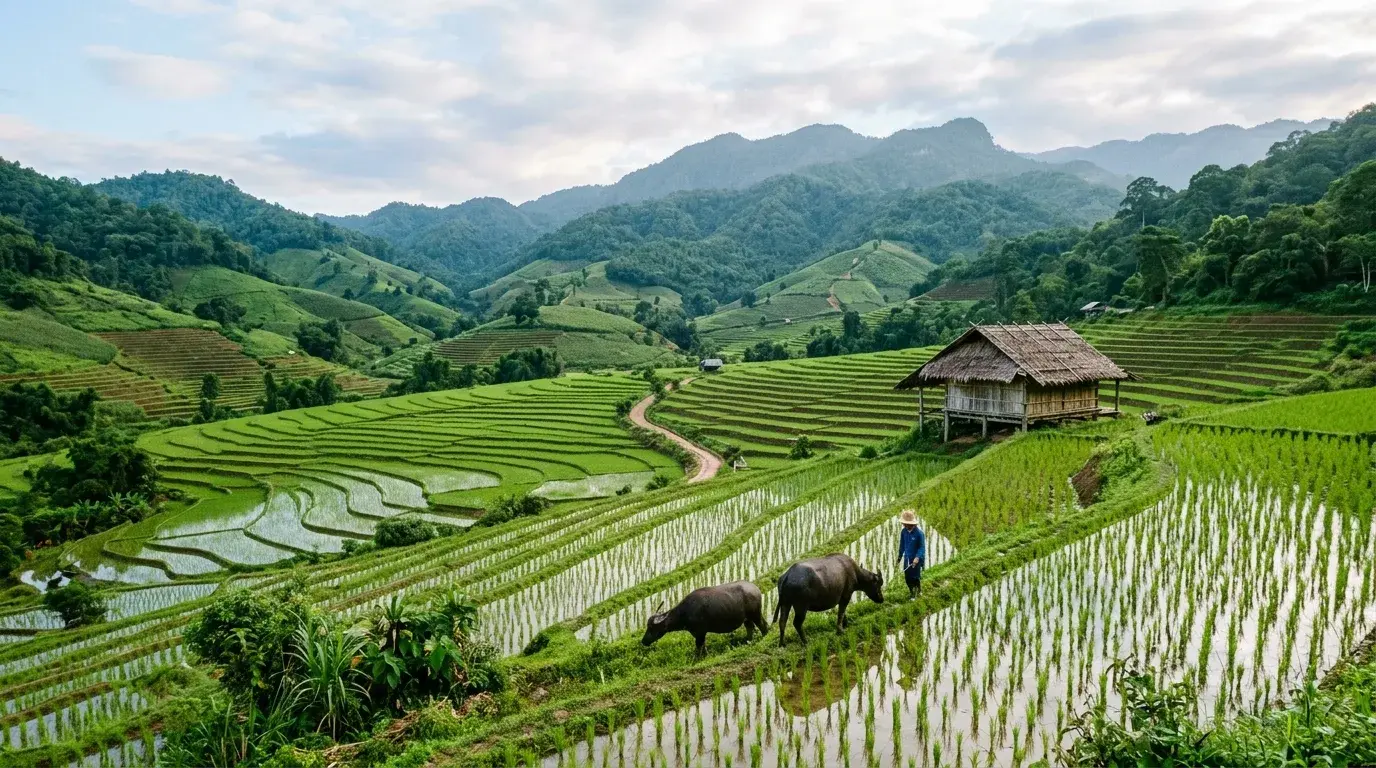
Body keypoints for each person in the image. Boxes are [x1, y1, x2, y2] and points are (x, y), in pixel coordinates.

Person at [897, 509, 926, 598]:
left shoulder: (919, 534)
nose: (903, 525)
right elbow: (902, 545)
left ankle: (918, 589)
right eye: (903, 523)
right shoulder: (904, 532)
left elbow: (921, 548)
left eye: (905, 523)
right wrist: (899, 557)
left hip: (916, 560)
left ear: (911, 523)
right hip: (907, 559)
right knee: (907, 578)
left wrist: (917, 558)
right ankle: (912, 593)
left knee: (915, 577)